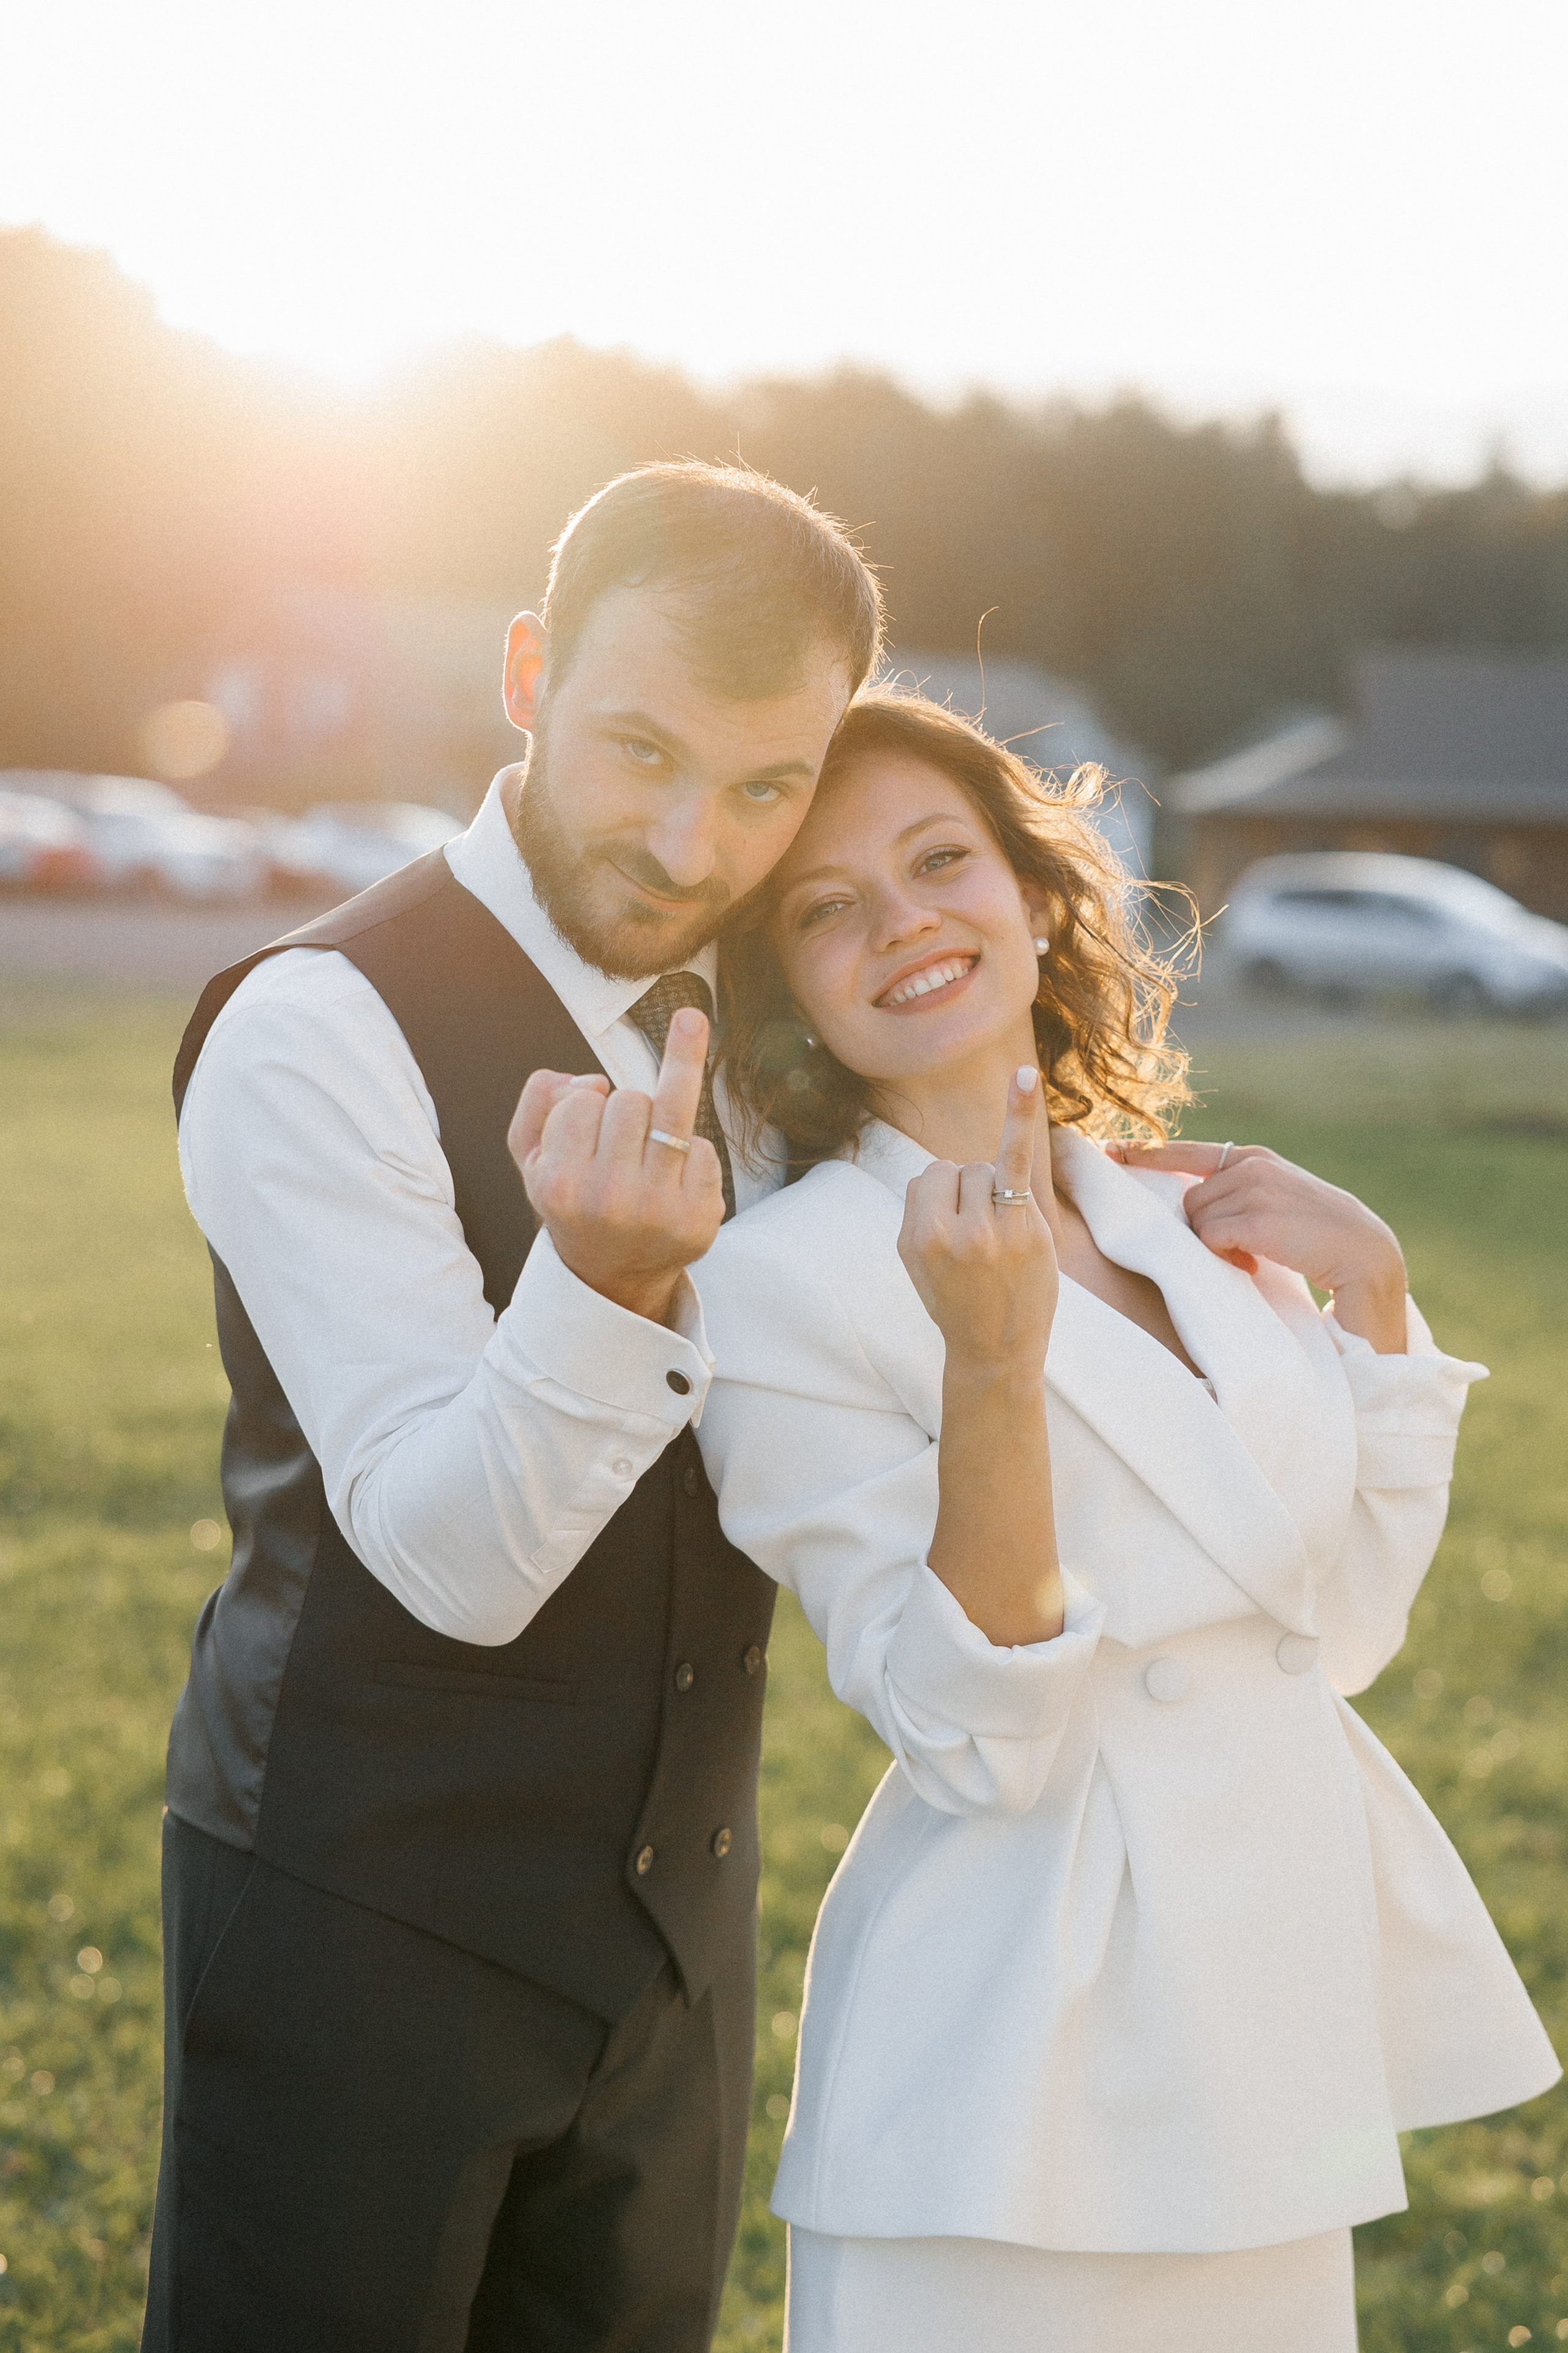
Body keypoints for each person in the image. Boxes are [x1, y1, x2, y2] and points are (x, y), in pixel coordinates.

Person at [693, 690, 1559, 2352]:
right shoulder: (780, 1282)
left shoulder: (1174, 1215)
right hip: (1011, 2087)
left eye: (942, 859)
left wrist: (1373, 1295)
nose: (905, 922)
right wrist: (993, 1361)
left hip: (1265, 2037)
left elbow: (1334, 1632)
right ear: (785, 989)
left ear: (1032, 892)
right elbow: (973, 1736)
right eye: (827, 907)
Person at [145, 461, 883, 2352]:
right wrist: (605, 1279)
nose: (689, 840)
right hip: (354, 1917)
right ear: (527, 672)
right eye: (639, 747)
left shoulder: (773, 1023)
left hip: (676, 1945)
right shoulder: (314, 1027)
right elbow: (446, 1553)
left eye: (764, 787)